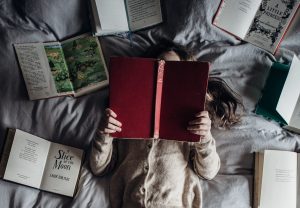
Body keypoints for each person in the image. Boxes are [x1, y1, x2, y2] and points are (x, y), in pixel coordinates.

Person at [89, 42, 243, 208]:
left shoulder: (191, 120)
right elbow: (99, 168)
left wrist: (204, 137)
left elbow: (209, 172)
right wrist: (104, 133)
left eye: (171, 69)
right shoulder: (125, 115)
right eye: (159, 64)